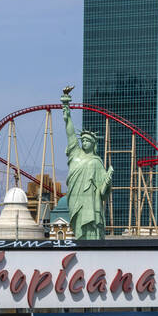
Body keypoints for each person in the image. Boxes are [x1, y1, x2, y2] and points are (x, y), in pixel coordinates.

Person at [61, 86, 113, 240]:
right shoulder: (75, 153)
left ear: (93, 143)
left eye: (87, 140)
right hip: (76, 197)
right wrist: (67, 112)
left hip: (91, 200)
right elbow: (70, 134)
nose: (84, 142)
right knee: (78, 226)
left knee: (92, 228)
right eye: (82, 140)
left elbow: (103, 187)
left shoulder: (97, 161)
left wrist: (108, 181)